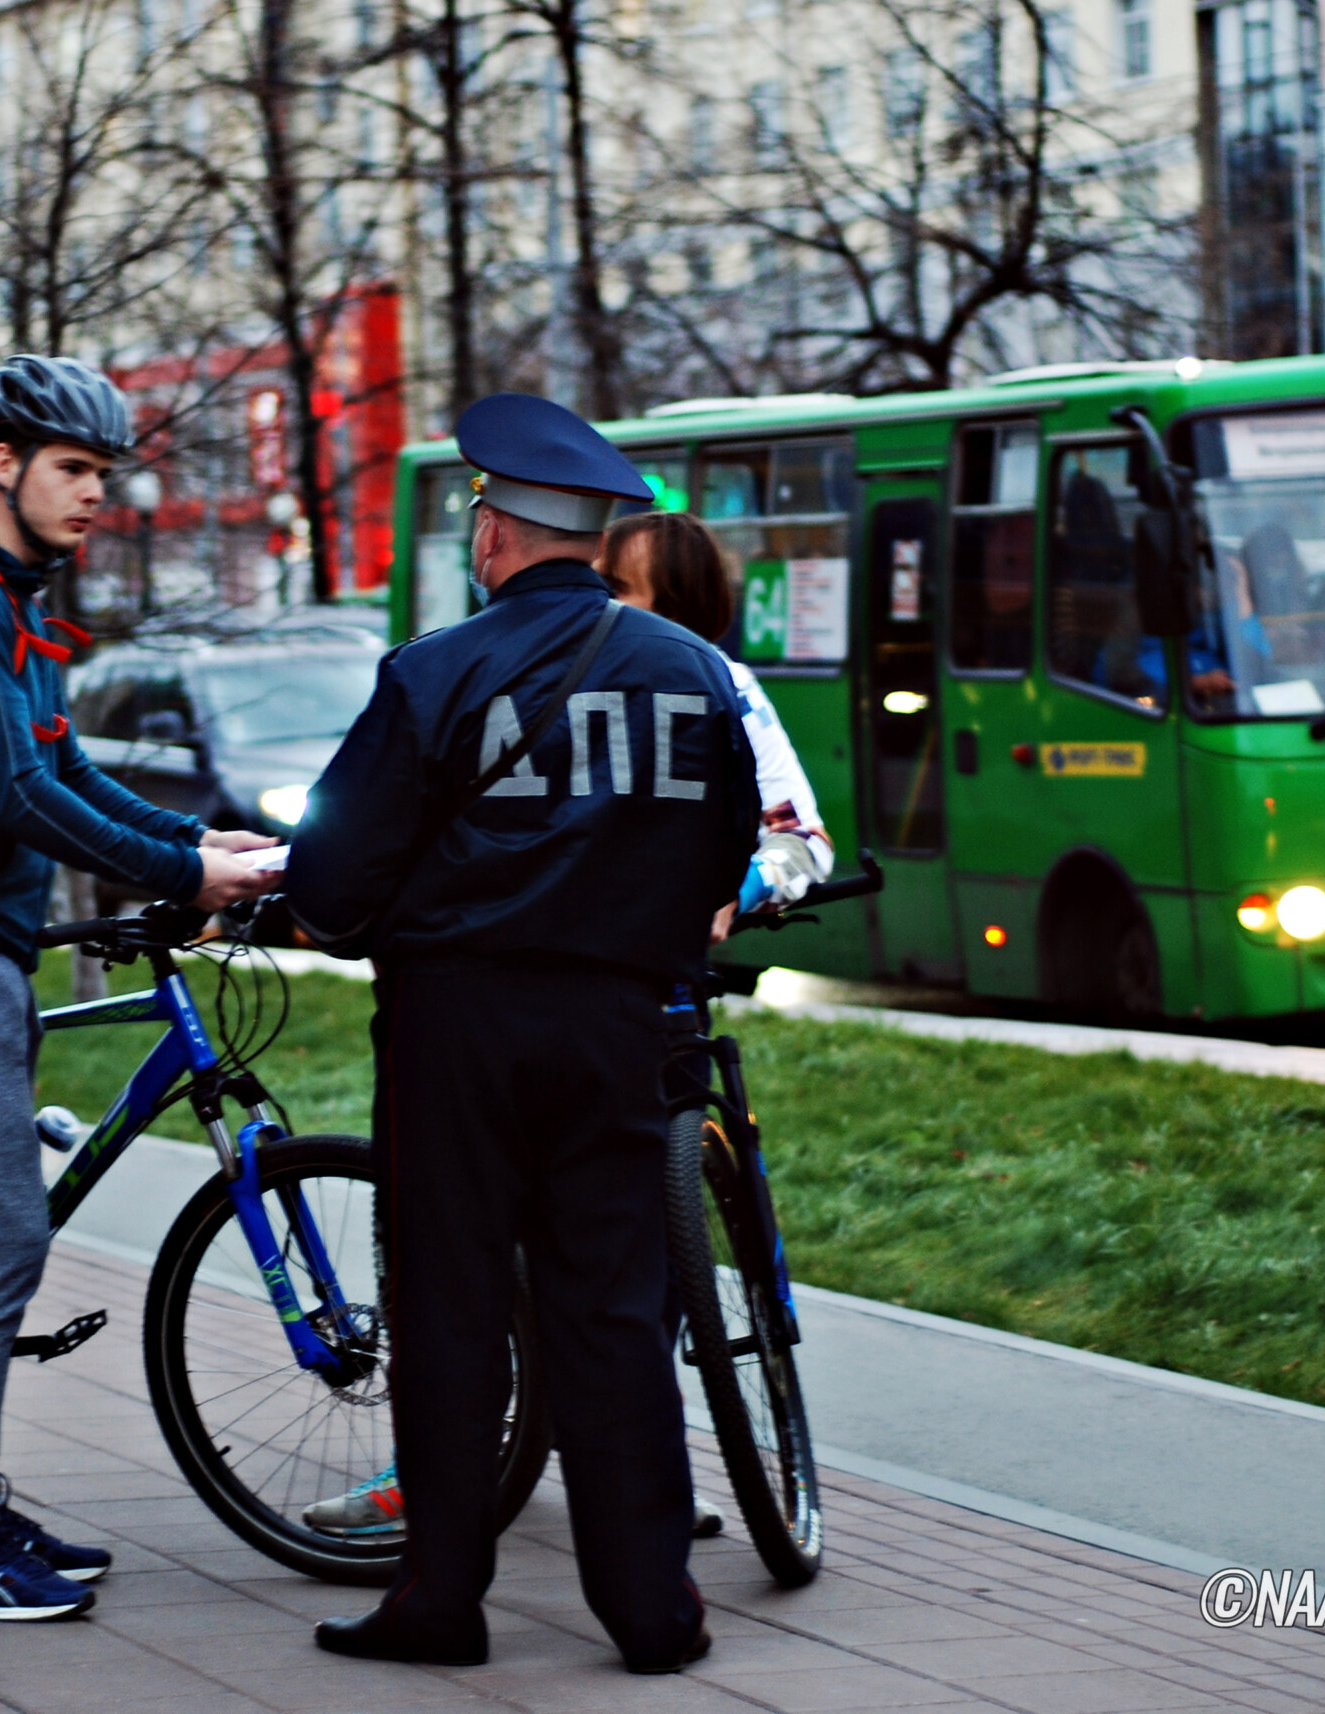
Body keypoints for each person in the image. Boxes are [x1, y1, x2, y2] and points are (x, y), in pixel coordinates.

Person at [284, 394, 759, 1674]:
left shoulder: (433, 671)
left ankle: (441, 1599)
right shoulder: (696, 674)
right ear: (596, 543)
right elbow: (731, 855)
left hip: (456, 1030)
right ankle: (650, 1606)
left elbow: (331, 879)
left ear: (495, 533)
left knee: (448, 1310)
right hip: (619, 1027)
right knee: (612, 1308)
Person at [0, 354, 275, 1623]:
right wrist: (176, 873)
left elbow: (67, 766)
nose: (97, 495)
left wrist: (203, 845)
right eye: (75, 470)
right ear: (2, 462)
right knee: (4, 1235)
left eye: (105, 474)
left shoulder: (10, 599)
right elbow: (13, 798)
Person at [598, 509, 831, 940]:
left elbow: (802, 839)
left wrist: (738, 891)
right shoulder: (546, 671)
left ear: (669, 612)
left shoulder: (730, 690)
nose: (588, 601)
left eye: (611, 589)